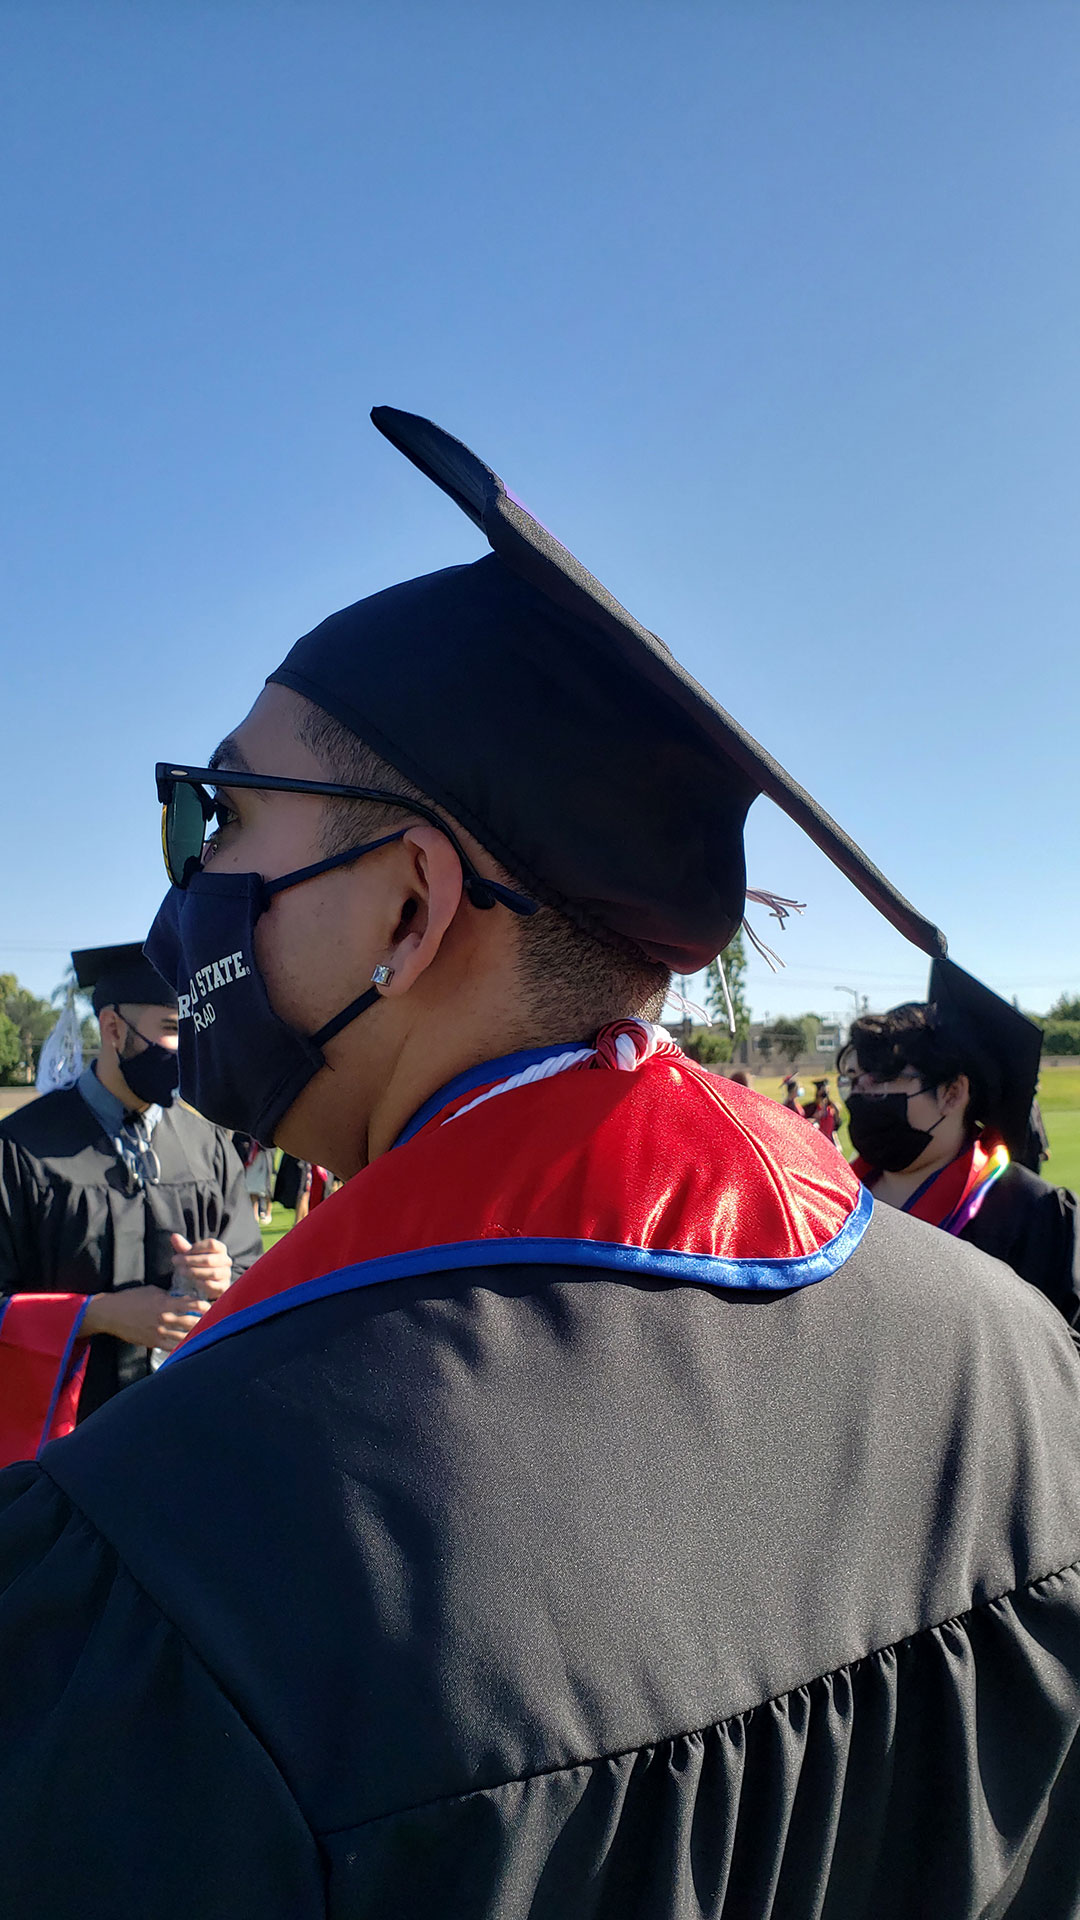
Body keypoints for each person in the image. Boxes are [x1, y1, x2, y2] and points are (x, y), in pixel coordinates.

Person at [1, 408, 1078, 1919]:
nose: (190, 880)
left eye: (220, 815)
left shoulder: (192, 1553)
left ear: (407, 908)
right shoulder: (1017, 1366)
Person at [0, 944, 261, 1463]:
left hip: (184, 1426)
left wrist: (225, 1275)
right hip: (63, 1444)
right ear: (113, 1029)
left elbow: (251, 1271)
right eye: (171, 1028)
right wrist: (95, 1315)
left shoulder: (208, 1145)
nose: (186, 1048)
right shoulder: (22, 1147)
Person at [839, 978, 1079, 1325]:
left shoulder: (1033, 1215)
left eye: (880, 1080)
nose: (859, 1096)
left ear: (952, 1093)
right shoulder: (833, 1199)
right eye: (853, 1080)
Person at [804, 1077, 840, 1143]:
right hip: (817, 1140)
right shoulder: (811, 1108)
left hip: (830, 1139)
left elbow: (837, 1123)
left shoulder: (832, 1107)